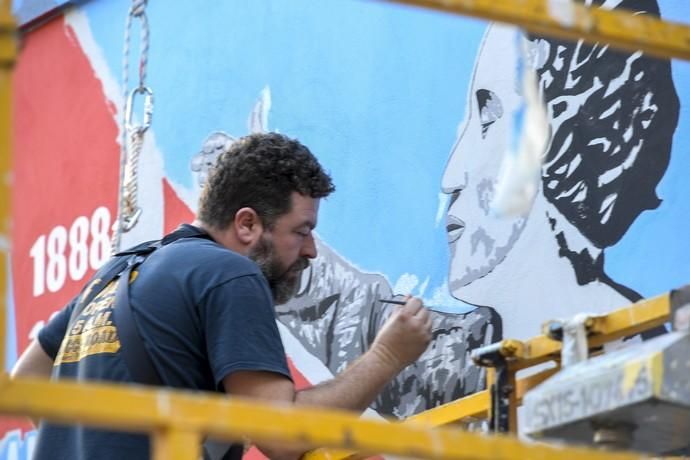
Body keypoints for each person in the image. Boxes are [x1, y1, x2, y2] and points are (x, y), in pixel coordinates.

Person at [11, 132, 433, 460]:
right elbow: (284, 436)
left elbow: (27, 380)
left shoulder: (119, 272)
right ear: (247, 225)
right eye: (301, 231)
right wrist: (388, 357)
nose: (310, 250)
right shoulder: (230, 273)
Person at [442, 0, 679, 340]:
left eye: (489, 119)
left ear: (570, 132)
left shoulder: (641, 360)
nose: (449, 178)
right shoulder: (467, 363)